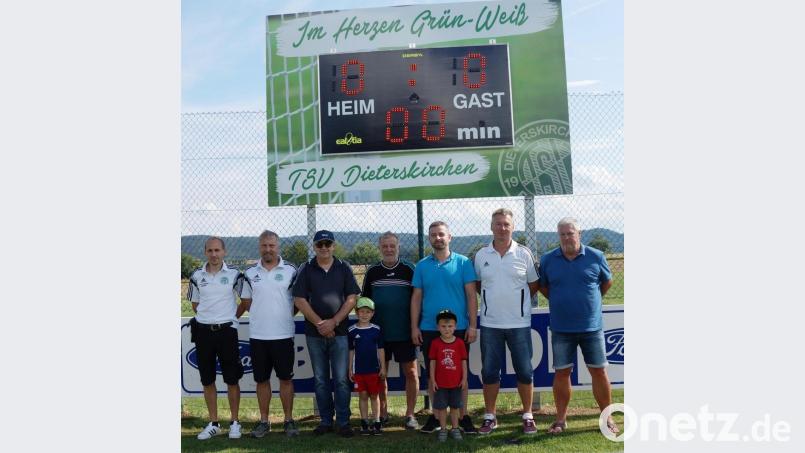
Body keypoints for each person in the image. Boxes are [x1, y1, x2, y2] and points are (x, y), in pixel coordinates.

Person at [538, 217, 618, 435]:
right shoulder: (548, 259)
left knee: (599, 372)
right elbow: (544, 287)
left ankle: (607, 418)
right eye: (562, 234)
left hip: (592, 327)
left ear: (579, 234)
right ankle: (560, 420)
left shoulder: (596, 256)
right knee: (562, 373)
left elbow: (607, 282)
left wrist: (590, 302)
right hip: (561, 328)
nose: (566, 238)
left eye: (570, 233)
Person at [474, 208, 540, 435]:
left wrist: (517, 305)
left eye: (506, 224)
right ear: (491, 226)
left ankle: (528, 415)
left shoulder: (524, 253)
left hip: (519, 323)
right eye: (498, 224)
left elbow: (533, 285)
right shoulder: (481, 255)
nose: (502, 228)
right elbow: (478, 285)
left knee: (525, 371)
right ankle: (490, 416)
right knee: (490, 372)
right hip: (490, 324)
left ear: (513, 227)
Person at [410, 221, 479, 434]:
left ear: (450, 237)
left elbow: (471, 295)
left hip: (458, 328)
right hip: (430, 328)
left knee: (459, 374)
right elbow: (416, 298)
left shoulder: (463, 262)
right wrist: (414, 327)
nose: (437, 238)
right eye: (433, 235)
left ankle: (463, 417)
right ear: (429, 238)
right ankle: (436, 416)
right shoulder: (422, 265)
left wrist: (473, 325)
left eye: (441, 234)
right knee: (433, 375)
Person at [292, 230, 361, 437]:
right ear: (314, 247)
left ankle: (343, 422)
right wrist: (321, 323)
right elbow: (299, 299)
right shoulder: (306, 268)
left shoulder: (343, 267)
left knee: (341, 379)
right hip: (314, 333)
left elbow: (352, 298)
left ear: (333, 246)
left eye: (327, 244)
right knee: (321, 379)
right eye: (320, 244)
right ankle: (325, 421)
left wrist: (334, 322)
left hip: (339, 332)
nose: (324, 248)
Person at [236, 230, 300, 438]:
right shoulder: (249, 272)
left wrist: (283, 315)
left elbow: (297, 301)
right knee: (261, 381)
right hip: (259, 336)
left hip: (283, 334)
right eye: (264, 246)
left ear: (278, 246)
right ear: (259, 247)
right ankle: (264, 421)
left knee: (285, 380)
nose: (268, 249)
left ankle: (288, 420)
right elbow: (246, 302)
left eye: (271, 245)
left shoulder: (291, 270)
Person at [187, 236, 248, 440]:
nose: (214, 254)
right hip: (203, 333)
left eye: (217, 250)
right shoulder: (196, 275)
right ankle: (213, 423)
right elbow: (195, 305)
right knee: (207, 379)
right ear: (205, 252)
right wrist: (209, 318)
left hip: (227, 332)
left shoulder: (234, 274)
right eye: (210, 250)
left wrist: (230, 318)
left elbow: (245, 301)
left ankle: (235, 423)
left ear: (224, 252)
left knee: (232, 379)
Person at [361, 231, 420, 430]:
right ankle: (383, 413)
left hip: (405, 332)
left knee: (411, 373)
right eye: (384, 246)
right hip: (379, 334)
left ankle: (410, 414)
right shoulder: (372, 272)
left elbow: (418, 299)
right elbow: (364, 302)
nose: (388, 249)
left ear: (398, 247)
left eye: (392, 246)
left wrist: (415, 326)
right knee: (380, 374)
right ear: (380, 248)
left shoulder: (409, 269)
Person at [347, 297, 387, 436]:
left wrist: (383, 367)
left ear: (373, 313)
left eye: (368, 312)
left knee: (374, 395)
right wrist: (350, 369)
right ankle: (364, 422)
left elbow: (381, 349)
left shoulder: (376, 330)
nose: (364, 314)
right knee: (363, 395)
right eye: (362, 311)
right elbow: (351, 351)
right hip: (359, 371)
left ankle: (377, 422)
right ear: (356, 312)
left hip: (373, 370)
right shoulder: (351, 330)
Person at [428, 310, 468, 442]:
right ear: (438, 327)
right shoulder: (435, 343)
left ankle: (455, 429)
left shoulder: (460, 343)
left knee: (455, 407)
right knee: (441, 408)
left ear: (455, 326)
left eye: (450, 326)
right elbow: (432, 363)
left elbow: (463, 362)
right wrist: (433, 380)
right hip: (440, 384)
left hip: (456, 383)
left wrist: (464, 379)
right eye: (443, 326)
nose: (447, 329)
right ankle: (443, 429)